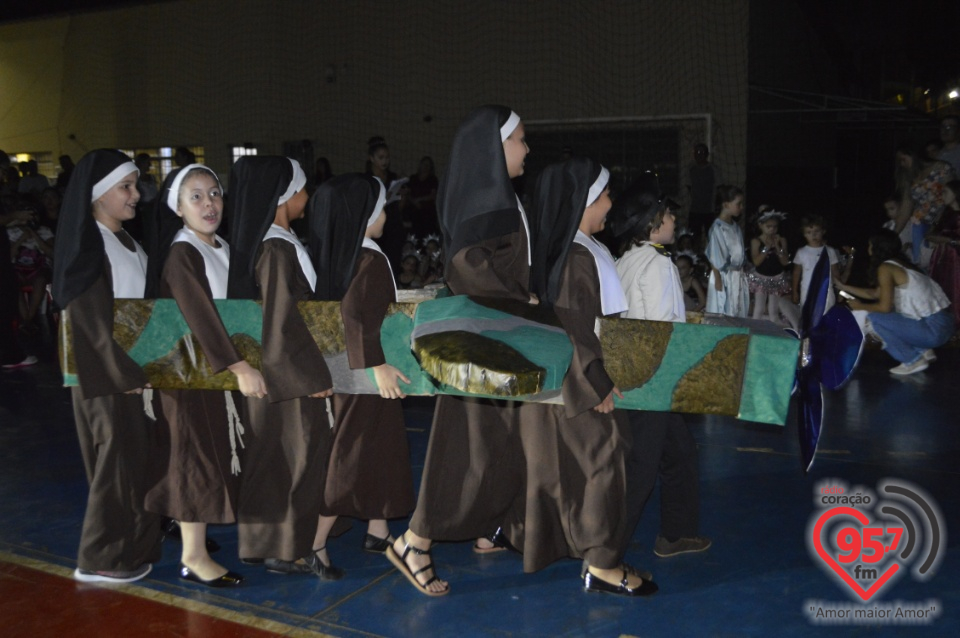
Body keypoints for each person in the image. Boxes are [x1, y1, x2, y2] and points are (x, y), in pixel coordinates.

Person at [387, 105, 532, 597]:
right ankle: (414, 540)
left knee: (494, 447)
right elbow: (466, 266)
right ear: (495, 148)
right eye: (520, 140)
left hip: (496, 341)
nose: (527, 150)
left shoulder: (500, 199)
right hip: (482, 345)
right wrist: (522, 302)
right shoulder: (483, 205)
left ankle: (486, 525)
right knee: (464, 451)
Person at [521, 157, 656, 596]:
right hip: (580, 382)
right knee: (605, 461)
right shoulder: (576, 255)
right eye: (604, 197)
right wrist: (596, 380)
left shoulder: (582, 247)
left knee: (581, 467)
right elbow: (575, 326)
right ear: (580, 203)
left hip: (575, 379)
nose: (611, 204)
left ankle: (592, 552)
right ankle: (601, 564)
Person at [144, 163, 264, 587]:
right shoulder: (183, 253)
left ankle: (190, 537)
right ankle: (192, 557)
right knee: (195, 457)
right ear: (177, 207)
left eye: (214, 193)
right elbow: (201, 315)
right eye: (195, 196)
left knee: (205, 456)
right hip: (189, 379)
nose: (209, 203)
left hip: (206, 376)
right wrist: (239, 366)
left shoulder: (217, 246)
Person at [51, 149, 163, 583]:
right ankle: (100, 558)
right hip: (105, 377)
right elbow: (91, 322)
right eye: (126, 187)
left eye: (135, 186)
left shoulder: (125, 239)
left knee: (136, 462)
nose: (136, 195)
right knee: (113, 467)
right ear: (98, 194)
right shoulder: (90, 244)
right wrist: (124, 374)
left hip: (130, 373)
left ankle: (133, 548)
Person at [225, 156, 338, 577]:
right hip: (289, 375)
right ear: (286, 196)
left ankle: (268, 546)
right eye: (303, 188)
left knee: (273, 460)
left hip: (276, 373)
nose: (307, 196)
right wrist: (307, 379)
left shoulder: (275, 241)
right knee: (298, 458)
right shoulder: (275, 247)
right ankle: (289, 549)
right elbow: (280, 320)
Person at [310, 173, 415, 576]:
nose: (385, 213)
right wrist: (375, 366)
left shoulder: (355, 253)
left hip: (361, 372)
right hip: (366, 376)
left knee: (380, 448)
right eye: (380, 207)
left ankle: (377, 527)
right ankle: (315, 543)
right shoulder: (367, 258)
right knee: (349, 456)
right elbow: (354, 316)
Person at [609, 172, 711, 566]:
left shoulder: (626, 259)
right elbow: (664, 328)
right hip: (654, 379)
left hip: (633, 374)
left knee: (680, 452)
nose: (674, 222)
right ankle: (608, 553)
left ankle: (677, 533)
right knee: (641, 469)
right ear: (652, 223)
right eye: (668, 216)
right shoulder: (659, 264)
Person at [836, 229, 954, 375]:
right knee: (884, 315)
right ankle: (923, 350)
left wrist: (860, 306)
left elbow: (884, 307)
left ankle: (912, 359)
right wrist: (843, 287)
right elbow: (875, 293)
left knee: (871, 317)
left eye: (869, 245)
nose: (868, 249)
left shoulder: (885, 268)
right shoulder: (901, 265)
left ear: (876, 247)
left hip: (933, 328)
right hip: (944, 324)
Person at [894, 145, 955, 268]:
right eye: (899, 161)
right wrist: (893, 235)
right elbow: (906, 207)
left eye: (903, 159)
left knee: (938, 262)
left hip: (942, 222)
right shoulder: (909, 177)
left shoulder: (942, 168)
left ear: (913, 155)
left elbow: (954, 195)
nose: (902, 164)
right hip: (919, 224)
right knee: (919, 261)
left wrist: (938, 224)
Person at [747, 208, 797, 327]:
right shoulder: (756, 241)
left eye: (775, 227)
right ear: (761, 225)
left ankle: (776, 332)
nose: (772, 229)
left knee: (773, 312)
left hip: (776, 277)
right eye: (768, 226)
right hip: (761, 277)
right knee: (759, 309)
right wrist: (767, 247)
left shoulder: (781, 240)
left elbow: (785, 262)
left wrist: (778, 247)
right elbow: (756, 262)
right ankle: (753, 331)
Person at [705, 185, 749, 317]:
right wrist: (718, 278)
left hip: (736, 276)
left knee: (737, 311)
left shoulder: (736, 227)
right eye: (738, 204)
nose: (741, 207)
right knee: (724, 311)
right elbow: (714, 254)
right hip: (724, 276)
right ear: (726, 204)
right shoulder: (717, 228)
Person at [791, 215, 845, 313]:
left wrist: (840, 291)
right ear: (804, 234)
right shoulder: (801, 252)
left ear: (823, 231)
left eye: (817, 231)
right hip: (807, 291)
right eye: (809, 232)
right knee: (809, 317)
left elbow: (835, 273)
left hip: (827, 292)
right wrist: (794, 291)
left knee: (826, 316)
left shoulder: (830, 251)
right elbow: (796, 273)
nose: (813, 235)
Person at [927, 179, 960, 327]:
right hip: (941, 256)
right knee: (941, 287)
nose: (942, 195)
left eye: (946, 192)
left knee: (955, 287)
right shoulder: (944, 214)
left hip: (955, 257)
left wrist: (948, 240)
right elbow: (930, 232)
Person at [687, 143, 721, 241]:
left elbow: (719, 188)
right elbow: (689, 187)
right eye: (696, 152)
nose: (699, 155)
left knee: (711, 237)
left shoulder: (713, 169)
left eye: (701, 152)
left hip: (709, 210)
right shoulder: (690, 169)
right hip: (694, 210)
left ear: (706, 154)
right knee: (693, 237)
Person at [406, 156, 440, 237]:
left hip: (427, 209)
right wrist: (414, 201)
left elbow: (433, 195)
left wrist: (419, 199)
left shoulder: (433, 179)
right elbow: (407, 193)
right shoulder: (413, 178)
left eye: (428, 165)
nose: (425, 167)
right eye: (424, 164)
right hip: (413, 208)